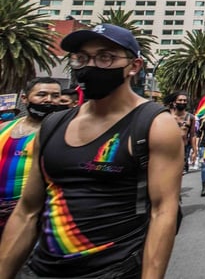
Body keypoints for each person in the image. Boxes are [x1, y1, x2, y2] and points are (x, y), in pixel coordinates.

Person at [0, 24, 183, 279]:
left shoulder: (155, 124)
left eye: (105, 57)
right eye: (82, 58)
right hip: (41, 269)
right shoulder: (53, 125)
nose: (91, 66)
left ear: (134, 66)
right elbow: (28, 211)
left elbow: (163, 212)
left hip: (114, 269)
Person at [0, 78, 68, 238]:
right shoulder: (4, 128)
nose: (49, 100)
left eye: (55, 96)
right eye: (42, 94)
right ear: (24, 98)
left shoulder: (61, 133)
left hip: (26, 214)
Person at [168, 91, 197, 174]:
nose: (182, 102)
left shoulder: (190, 117)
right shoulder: (167, 115)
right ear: (174, 102)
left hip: (183, 149)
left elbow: (192, 135)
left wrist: (195, 151)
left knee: (178, 174)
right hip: (168, 148)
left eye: (184, 100)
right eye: (180, 100)